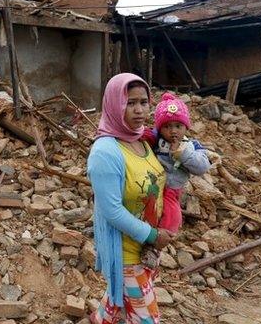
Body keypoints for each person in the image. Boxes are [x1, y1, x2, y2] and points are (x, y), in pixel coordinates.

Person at [87, 73, 174, 324]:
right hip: (126, 254)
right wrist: (154, 236)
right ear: (115, 104)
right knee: (148, 319)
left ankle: (101, 318)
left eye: (143, 102)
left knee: (119, 300)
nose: (138, 110)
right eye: (130, 103)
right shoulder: (105, 152)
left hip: (146, 248)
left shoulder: (143, 140)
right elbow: (111, 210)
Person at [140, 92, 211, 269]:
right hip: (153, 186)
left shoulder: (192, 146)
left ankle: (155, 247)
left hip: (172, 190)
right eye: (167, 126)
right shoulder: (157, 139)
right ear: (160, 128)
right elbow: (142, 136)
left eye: (178, 126)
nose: (173, 131)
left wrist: (185, 154)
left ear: (186, 127)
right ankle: (142, 237)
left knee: (172, 217)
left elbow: (202, 167)